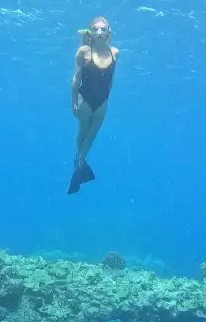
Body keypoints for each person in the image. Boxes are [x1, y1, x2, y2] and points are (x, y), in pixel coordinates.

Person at [68, 16, 120, 195]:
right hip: (85, 99)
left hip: (102, 102)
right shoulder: (83, 51)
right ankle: (80, 162)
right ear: (90, 32)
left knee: (92, 135)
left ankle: (80, 163)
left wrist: (107, 100)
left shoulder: (115, 53)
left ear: (108, 32)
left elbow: (111, 80)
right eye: (95, 29)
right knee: (83, 131)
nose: (99, 32)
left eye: (103, 29)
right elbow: (76, 78)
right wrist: (73, 100)